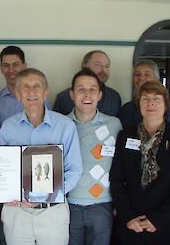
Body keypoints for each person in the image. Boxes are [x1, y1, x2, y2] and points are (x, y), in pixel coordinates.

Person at [0, 68, 82, 245]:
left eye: (37, 86)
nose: (31, 92)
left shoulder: (65, 126)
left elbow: (74, 170)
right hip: (17, 212)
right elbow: (3, 171)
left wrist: (46, 195)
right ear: (17, 94)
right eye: (25, 87)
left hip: (52, 212)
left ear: (45, 93)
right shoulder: (7, 127)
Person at [110, 81, 170, 245]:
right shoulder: (125, 136)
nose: (151, 103)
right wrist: (127, 215)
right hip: (131, 223)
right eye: (145, 99)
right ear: (138, 104)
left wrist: (158, 218)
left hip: (166, 224)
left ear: (166, 105)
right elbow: (117, 179)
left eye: (157, 99)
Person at [67, 68, 122, 245]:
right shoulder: (62, 125)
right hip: (69, 204)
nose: (87, 94)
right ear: (72, 94)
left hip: (103, 205)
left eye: (92, 89)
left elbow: (122, 166)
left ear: (100, 95)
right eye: (81, 89)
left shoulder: (114, 124)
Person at [0, 46, 51, 145]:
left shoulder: (41, 98)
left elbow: (49, 130)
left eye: (16, 64)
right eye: (6, 65)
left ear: (24, 66)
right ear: (1, 68)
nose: (11, 69)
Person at [53, 50, 121, 116]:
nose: (103, 70)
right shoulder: (63, 98)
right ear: (85, 65)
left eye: (106, 66)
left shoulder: (114, 97)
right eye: (98, 65)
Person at [119, 59, 170, 128]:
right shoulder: (126, 109)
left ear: (157, 79)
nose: (141, 78)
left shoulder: (169, 112)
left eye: (147, 74)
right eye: (137, 74)